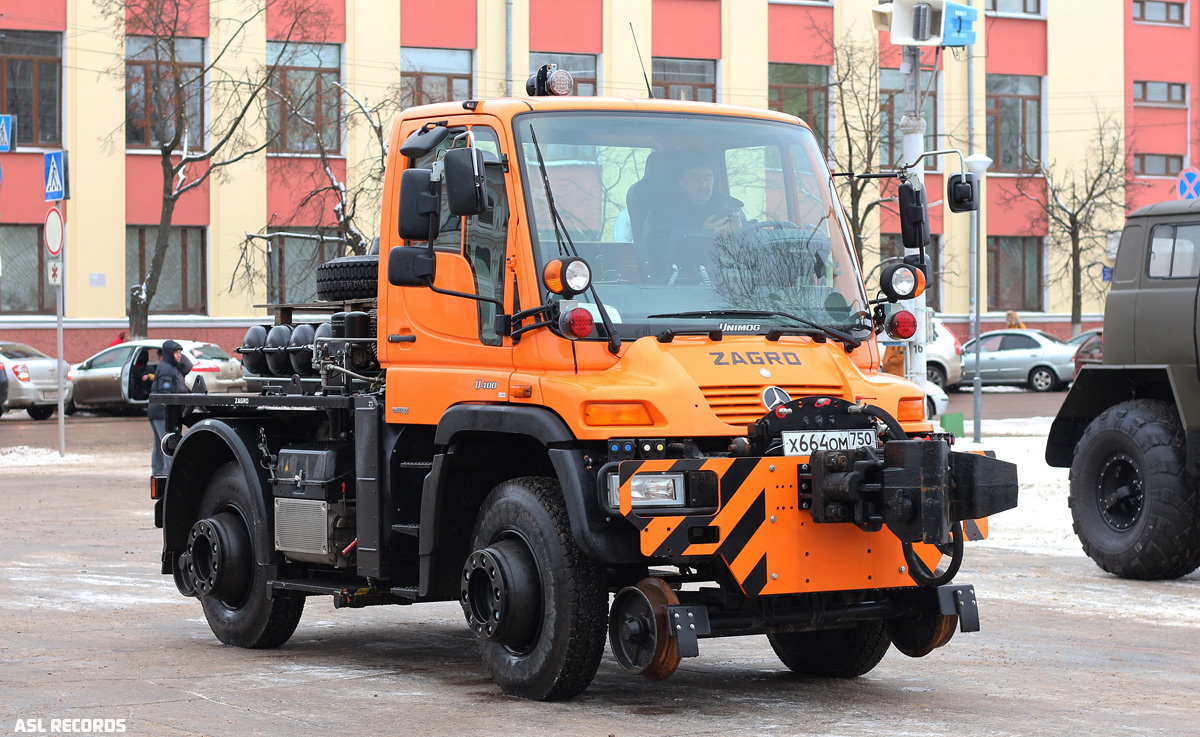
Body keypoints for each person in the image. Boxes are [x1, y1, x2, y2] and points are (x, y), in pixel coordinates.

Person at [147, 340, 192, 475]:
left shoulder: (171, 366)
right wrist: (170, 413)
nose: (179, 355)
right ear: (168, 354)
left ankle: (158, 473)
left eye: (180, 353)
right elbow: (164, 393)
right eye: (176, 352)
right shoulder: (166, 368)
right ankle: (167, 476)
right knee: (167, 445)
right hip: (162, 412)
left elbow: (187, 366)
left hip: (157, 411)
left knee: (160, 444)